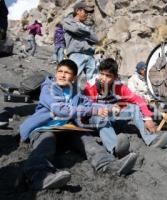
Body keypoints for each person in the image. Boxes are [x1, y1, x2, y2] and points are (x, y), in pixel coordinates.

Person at [20, 59, 137, 190]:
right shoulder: (48, 88)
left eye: (67, 73)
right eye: (60, 71)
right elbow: (61, 110)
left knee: (88, 142)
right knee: (45, 144)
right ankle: (38, 175)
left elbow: (89, 104)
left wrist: (110, 107)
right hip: (44, 127)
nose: (62, 75)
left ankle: (108, 166)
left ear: (74, 77)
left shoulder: (75, 91)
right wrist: (95, 110)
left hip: (66, 128)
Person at [84, 58, 167, 157]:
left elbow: (138, 100)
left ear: (115, 77)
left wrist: (147, 118)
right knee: (100, 117)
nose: (103, 78)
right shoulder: (91, 86)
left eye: (108, 76)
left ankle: (151, 140)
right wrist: (109, 107)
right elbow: (87, 107)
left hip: (113, 119)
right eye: (102, 74)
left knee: (134, 108)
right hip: (97, 121)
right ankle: (115, 148)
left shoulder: (119, 86)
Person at [63, 2, 99, 82]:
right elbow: (76, 30)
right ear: (78, 11)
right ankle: (67, 94)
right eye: (85, 11)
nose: (87, 14)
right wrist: (88, 34)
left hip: (90, 55)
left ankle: (90, 94)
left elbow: (96, 39)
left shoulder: (87, 26)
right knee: (71, 80)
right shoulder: (68, 21)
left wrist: (82, 34)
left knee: (93, 81)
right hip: (76, 54)